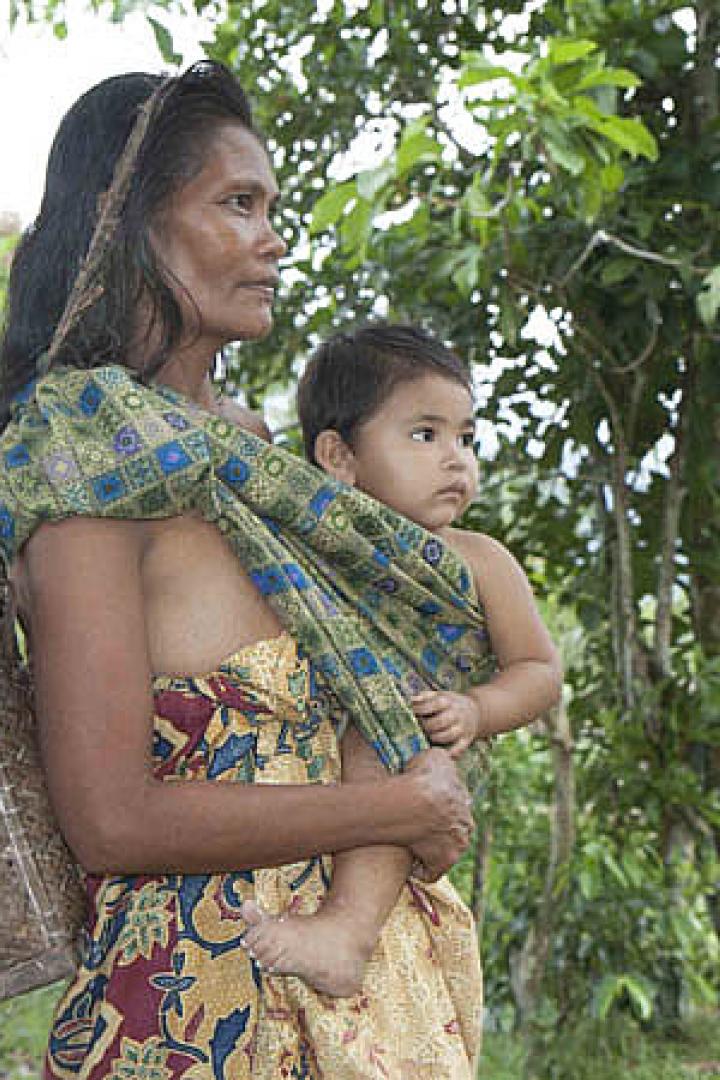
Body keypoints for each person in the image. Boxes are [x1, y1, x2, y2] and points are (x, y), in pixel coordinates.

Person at [0, 62, 488, 1079]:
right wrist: (396, 808)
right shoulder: (86, 456)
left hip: (362, 1007)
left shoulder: (254, 455)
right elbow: (111, 817)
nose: (274, 239)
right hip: (199, 1003)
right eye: (237, 203)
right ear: (127, 220)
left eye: (274, 208)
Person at [238, 322, 563, 998]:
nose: (457, 459)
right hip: (301, 782)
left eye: (467, 438)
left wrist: (477, 709)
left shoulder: (481, 559)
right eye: (426, 435)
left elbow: (539, 671)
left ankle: (346, 933)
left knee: (389, 731)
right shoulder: (309, 548)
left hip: (424, 742)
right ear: (340, 456)